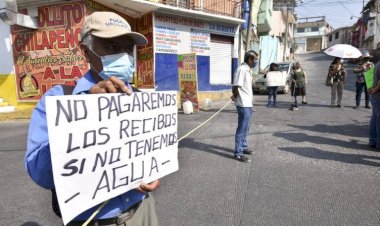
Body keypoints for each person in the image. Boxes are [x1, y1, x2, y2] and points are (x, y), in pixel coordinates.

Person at [24, 12, 160, 226]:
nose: (124, 56)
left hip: (142, 212)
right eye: (112, 47)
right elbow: (41, 174)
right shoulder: (58, 100)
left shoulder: (140, 100)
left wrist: (152, 172)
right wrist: (83, 114)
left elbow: (149, 154)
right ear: (86, 51)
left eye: (127, 48)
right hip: (92, 220)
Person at [231, 50, 259, 163]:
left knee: (246, 127)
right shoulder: (242, 69)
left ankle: (243, 147)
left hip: (248, 103)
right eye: (255, 59)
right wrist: (235, 96)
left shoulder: (248, 70)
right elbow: (236, 86)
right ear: (250, 59)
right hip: (243, 104)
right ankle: (238, 153)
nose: (256, 62)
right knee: (242, 128)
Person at [369, 61, 380, 149]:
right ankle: (378, 143)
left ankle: (373, 141)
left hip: (375, 97)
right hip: (378, 96)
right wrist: (375, 90)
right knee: (377, 120)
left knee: (374, 119)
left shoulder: (377, 64)